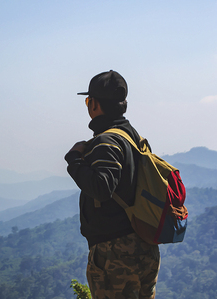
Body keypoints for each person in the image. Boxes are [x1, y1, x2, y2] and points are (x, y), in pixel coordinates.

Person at [64, 70, 160, 299]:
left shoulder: (107, 141)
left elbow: (101, 187)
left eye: (88, 101)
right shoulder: (133, 137)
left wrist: (74, 160)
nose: (88, 106)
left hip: (116, 252)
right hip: (144, 245)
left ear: (95, 104)